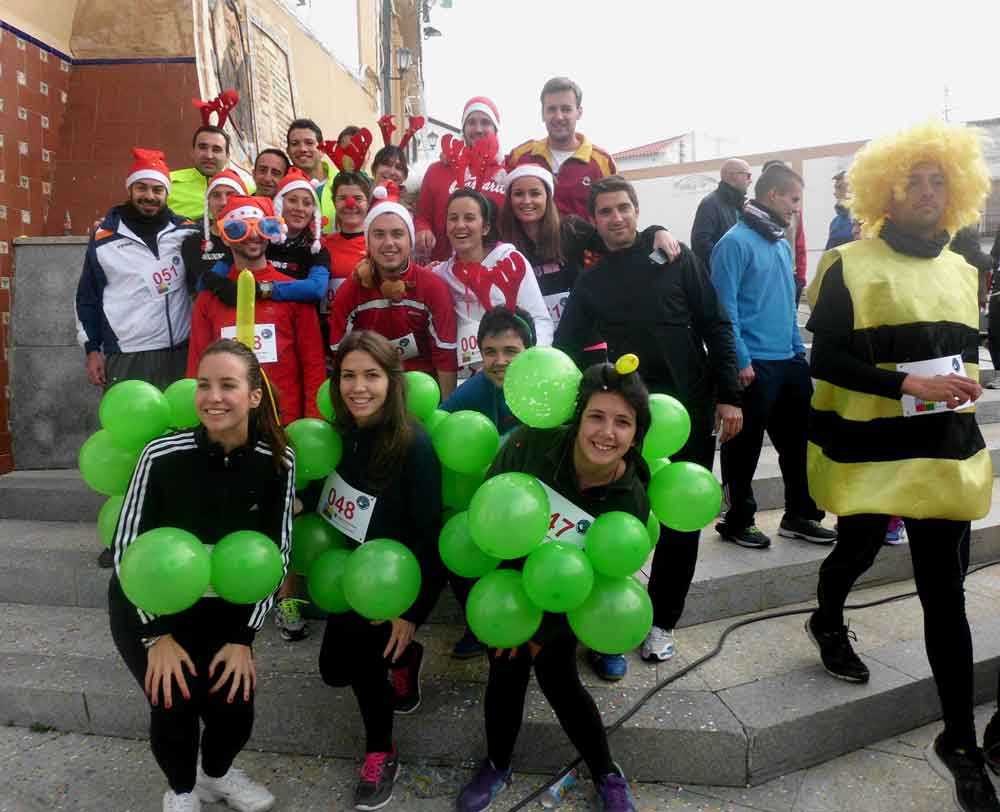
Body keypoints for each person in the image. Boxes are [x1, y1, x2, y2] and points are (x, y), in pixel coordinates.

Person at [803, 120, 997, 812]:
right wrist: (904, 386)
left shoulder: (964, 268)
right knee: (854, 550)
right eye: (910, 178)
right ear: (885, 189)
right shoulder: (848, 264)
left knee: (944, 594)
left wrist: (964, 380)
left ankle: (961, 741)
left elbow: (953, 350)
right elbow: (824, 359)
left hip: (942, 449)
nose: (923, 189)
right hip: (870, 451)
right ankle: (826, 618)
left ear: (955, 190)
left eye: (936, 178)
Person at [554, 175, 741, 676]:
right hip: (629, 419)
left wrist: (729, 395)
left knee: (680, 523)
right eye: (605, 212)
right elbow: (567, 347)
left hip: (691, 410)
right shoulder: (591, 283)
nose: (616, 219)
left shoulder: (676, 259)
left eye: (624, 208)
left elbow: (716, 324)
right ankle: (610, 621)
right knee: (621, 519)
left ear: (637, 211)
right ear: (595, 221)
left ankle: (663, 622)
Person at [455, 359, 651, 812]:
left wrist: (542, 634)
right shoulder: (532, 444)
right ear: (578, 418)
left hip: (567, 597)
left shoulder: (630, 499)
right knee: (505, 665)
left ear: (636, 434)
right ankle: (497, 764)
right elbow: (491, 523)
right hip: (508, 579)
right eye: (596, 417)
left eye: (623, 422)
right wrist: (508, 618)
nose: (607, 432)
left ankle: (606, 771)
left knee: (557, 676)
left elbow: (600, 577)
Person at [109, 338, 293, 812]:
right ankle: (183, 790)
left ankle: (217, 775)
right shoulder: (162, 453)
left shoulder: (278, 459)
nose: (213, 396)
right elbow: (127, 546)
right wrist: (156, 635)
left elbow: (278, 552)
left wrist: (243, 636)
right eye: (204, 385)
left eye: (228, 385)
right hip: (151, 604)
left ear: (254, 395)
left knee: (233, 705)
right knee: (174, 699)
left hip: (226, 606)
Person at [317, 330, 445, 811]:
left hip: (400, 583)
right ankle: (405, 659)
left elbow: (430, 537)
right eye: (348, 376)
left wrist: (409, 612)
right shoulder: (337, 436)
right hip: (350, 574)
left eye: (371, 375)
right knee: (333, 670)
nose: (358, 387)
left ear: (392, 381)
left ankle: (381, 750)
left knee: (365, 659)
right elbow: (328, 496)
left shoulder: (414, 445)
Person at [77, 147, 200, 568]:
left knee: (183, 445)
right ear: (130, 189)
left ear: (167, 193)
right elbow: (87, 300)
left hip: (180, 354)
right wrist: (92, 348)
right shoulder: (103, 239)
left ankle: (182, 529)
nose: (150, 196)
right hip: (128, 356)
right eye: (142, 188)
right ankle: (123, 535)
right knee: (132, 449)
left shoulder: (186, 232)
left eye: (157, 189)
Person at [710, 164, 836, 550]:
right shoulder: (733, 243)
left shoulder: (780, 242)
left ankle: (800, 514)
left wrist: (798, 350)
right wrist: (742, 360)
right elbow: (723, 309)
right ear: (772, 196)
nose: (797, 207)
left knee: (799, 446)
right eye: (794, 199)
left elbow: (786, 302)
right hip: (753, 367)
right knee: (742, 450)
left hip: (789, 362)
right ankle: (736, 520)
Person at [187, 195, 326, 425]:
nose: (253, 236)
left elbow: (313, 366)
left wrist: (313, 421)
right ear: (225, 236)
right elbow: (196, 367)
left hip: (284, 421)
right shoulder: (208, 299)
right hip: (226, 423)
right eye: (239, 229)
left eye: (261, 228)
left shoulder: (293, 294)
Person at [499, 164, 681, 329]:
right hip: (537, 337)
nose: (527, 200)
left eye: (535, 193)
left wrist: (656, 232)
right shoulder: (505, 247)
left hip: (584, 333)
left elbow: (620, 241)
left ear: (548, 196)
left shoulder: (571, 229)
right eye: (518, 194)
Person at [329, 183, 458, 398]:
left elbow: (445, 356)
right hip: (370, 395)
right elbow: (340, 357)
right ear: (367, 241)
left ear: (410, 240)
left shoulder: (433, 286)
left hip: (422, 394)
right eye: (379, 234)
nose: (389, 243)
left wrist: (445, 411)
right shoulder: (350, 291)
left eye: (397, 234)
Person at [435, 188, 554, 378]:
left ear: (485, 227)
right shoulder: (440, 274)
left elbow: (540, 320)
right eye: (453, 218)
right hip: (466, 380)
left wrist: (528, 363)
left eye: (469, 218)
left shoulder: (511, 261)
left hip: (515, 373)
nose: (460, 225)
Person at [203, 168, 332, 310]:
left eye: (307, 203)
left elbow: (317, 288)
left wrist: (262, 289)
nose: (300, 208)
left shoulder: (316, 248)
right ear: (278, 204)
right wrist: (221, 286)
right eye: (292, 200)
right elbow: (207, 280)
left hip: (298, 320)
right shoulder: (259, 238)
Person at [507, 77, 617, 220]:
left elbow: (618, 211)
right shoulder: (519, 157)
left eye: (566, 109)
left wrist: (652, 231)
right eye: (552, 109)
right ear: (542, 114)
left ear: (579, 112)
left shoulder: (602, 162)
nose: (559, 117)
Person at [415, 96, 507, 263]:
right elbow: (422, 216)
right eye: (471, 122)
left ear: (495, 129)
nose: (478, 129)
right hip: (445, 271)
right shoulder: (438, 170)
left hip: (497, 270)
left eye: (485, 122)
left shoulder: (508, 170)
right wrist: (423, 230)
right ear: (463, 129)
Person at [180, 169, 245, 295]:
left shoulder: (256, 239)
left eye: (230, 194)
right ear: (208, 202)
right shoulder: (192, 243)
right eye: (216, 195)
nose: (223, 202)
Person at [691, 158, 752, 268]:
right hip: (722, 276)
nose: (750, 180)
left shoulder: (742, 204)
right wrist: (726, 265)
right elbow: (700, 244)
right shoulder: (709, 204)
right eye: (748, 175)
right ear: (733, 176)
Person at [168, 123, 232, 220]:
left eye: (216, 149)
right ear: (192, 152)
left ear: (227, 156)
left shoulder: (245, 190)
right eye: (202, 147)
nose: (209, 156)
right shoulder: (167, 183)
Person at [287, 118, 338, 233]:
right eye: (295, 144)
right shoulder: (282, 188)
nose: (302, 149)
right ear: (288, 151)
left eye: (309, 143)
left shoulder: (341, 182)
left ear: (322, 150)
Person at [825, 170, 855, 250]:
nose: (835, 194)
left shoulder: (867, 221)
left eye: (839, 187)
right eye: (835, 188)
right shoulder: (835, 223)